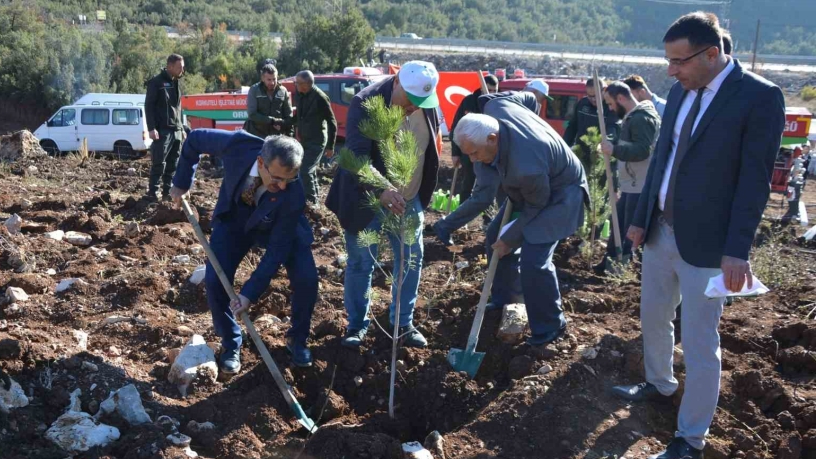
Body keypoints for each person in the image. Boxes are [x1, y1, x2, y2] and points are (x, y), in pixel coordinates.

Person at [611, 12, 785, 459]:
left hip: (708, 245)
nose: (670, 70)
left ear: (713, 55)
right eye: (668, 61)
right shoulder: (680, 90)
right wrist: (641, 216)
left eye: (678, 61)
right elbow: (663, 159)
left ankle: (689, 439)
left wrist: (736, 250)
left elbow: (754, 181)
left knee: (701, 340)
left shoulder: (759, 98)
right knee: (653, 317)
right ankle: (659, 383)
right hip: (659, 231)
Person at [169, 130, 318, 372]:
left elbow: (276, 252)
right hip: (236, 219)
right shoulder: (239, 145)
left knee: (307, 279)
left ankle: (297, 340)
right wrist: (182, 182)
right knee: (216, 279)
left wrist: (249, 294)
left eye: (288, 180)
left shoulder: (293, 193)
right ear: (261, 162)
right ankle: (231, 343)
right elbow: (194, 139)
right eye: (277, 178)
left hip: (279, 225)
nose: (282, 186)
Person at [453, 99, 589, 346]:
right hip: (533, 187)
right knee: (495, 237)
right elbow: (522, 99)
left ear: (493, 139)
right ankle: (506, 297)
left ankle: (550, 326)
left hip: (561, 192)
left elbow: (536, 206)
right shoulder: (495, 107)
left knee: (534, 259)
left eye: (474, 152)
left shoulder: (525, 167)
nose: (472, 160)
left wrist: (511, 239)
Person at [326, 61, 440, 349]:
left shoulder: (426, 103)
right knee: (362, 262)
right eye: (410, 101)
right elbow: (356, 156)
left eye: (421, 102)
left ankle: (403, 324)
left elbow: (430, 151)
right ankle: (357, 326)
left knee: (411, 260)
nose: (415, 107)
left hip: (409, 200)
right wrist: (383, 189)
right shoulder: (366, 103)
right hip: (368, 200)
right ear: (398, 82)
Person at [433, 91, 540, 247]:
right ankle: (445, 226)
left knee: (508, 198)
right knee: (484, 196)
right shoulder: (492, 106)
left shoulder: (521, 113)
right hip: (484, 157)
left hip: (504, 160)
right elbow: (483, 101)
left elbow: (531, 99)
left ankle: (502, 238)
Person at [595, 81, 660, 274]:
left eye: (610, 103)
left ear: (621, 98)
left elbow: (642, 150)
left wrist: (614, 149)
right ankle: (610, 261)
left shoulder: (641, 118)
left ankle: (624, 268)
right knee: (619, 224)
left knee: (630, 230)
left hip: (639, 183)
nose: (610, 108)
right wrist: (613, 145)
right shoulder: (632, 117)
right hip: (630, 182)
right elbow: (630, 143)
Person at [448, 75, 499, 204]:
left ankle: (488, 219)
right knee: (468, 183)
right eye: (489, 89)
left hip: (489, 151)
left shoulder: (497, 103)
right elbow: (456, 127)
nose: (492, 93)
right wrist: (455, 153)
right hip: (469, 150)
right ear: (482, 87)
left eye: (495, 90)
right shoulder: (469, 101)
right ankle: (462, 216)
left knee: (489, 185)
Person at [292, 70, 337, 205]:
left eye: (298, 83)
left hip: (317, 140)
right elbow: (299, 116)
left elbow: (332, 122)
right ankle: (315, 201)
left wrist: (330, 146)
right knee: (309, 171)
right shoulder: (300, 95)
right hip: (304, 138)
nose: (296, 85)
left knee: (305, 170)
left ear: (306, 84)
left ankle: (311, 204)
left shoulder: (320, 98)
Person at [145, 54, 186, 202]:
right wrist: (151, 128)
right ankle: (153, 192)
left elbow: (178, 108)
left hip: (176, 130)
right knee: (159, 162)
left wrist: (181, 128)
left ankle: (167, 193)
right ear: (170, 66)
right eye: (179, 67)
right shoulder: (156, 83)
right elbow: (148, 106)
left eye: (182, 66)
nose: (182, 69)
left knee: (173, 163)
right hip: (162, 130)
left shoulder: (176, 83)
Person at [563, 78, 619, 167]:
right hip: (581, 154)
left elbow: (612, 129)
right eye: (590, 96)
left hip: (601, 157)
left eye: (596, 96)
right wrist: (564, 146)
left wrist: (605, 144)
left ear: (604, 90)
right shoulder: (582, 103)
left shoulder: (611, 107)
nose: (593, 99)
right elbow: (572, 127)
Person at [243, 64, 293, 138]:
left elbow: (289, 116)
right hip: (256, 135)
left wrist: (288, 132)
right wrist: (272, 121)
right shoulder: (254, 90)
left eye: (274, 79)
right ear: (263, 78)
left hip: (276, 136)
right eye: (269, 80)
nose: (272, 83)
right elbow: (252, 114)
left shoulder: (283, 91)